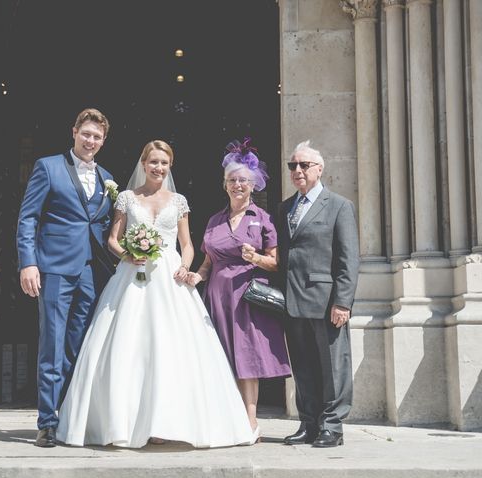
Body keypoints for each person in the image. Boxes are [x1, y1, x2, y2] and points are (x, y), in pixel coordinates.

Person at [56, 140, 255, 448]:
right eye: (153, 162)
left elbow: (187, 244)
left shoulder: (178, 201)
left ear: (169, 165)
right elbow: (112, 239)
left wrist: (184, 266)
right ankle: (121, 422)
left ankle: (166, 422)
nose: (158, 167)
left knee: (170, 347)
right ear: (143, 164)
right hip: (133, 276)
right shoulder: (126, 198)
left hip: (169, 277)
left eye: (164, 162)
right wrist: (127, 254)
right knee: (128, 345)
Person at [16, 108, 116, 448]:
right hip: (55, 268)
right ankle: (47, 421)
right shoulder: (48, 166)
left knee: (79, 345)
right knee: (53, 344)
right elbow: (28, 217)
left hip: (93, 271)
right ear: (74, 132)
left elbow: (105, 226)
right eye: (86, 134)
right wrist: (28, 263)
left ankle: (70, 417)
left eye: (97, 137)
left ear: (103, 142)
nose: (90, 141)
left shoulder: (107, 178)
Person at [186, 138, 291, 436]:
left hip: (248, 295)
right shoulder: (215, 220)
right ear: (225, 185)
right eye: (232, 180)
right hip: (218, 297)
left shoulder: (263, 219)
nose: (237, 185)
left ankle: (250, 420)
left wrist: (255, 257)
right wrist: (197, 276)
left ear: (254, 184)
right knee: (222, 355)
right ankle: (226, 417)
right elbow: (208, 260)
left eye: (243, 180)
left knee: (247, 357)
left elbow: (276, 263)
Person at [277, 140, 359, 448]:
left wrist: (343, 301)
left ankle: (332, 426)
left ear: (319, 169)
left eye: (304, 165)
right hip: (293, 301)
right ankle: (308, 423)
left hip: (326, 303)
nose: (297, 171)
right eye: (293, 166)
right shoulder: (285, 207)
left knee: (333, 367)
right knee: (303, 366)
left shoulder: (338, 206)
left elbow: (348, 258)